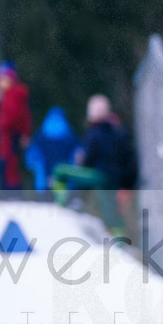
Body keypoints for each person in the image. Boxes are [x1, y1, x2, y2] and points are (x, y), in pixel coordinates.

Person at [54, 94, 135, 236]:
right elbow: (127, 159)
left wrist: (81, 163)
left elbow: (87, 159)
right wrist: (126, 185)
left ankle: (63, 200)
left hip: (98, 174)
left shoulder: (94, 133)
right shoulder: (117, 132)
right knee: (111, 211)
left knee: (60, 171)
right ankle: (119, 242)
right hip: (115, 178)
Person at [0, 61, 32, 191]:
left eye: (1, 79)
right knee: (10, 166)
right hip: (10, 136)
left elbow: (15, 116)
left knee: (8, 167)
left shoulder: (13, 94)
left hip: (10, 136)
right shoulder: (11, 94)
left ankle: (10, 195)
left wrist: (3, 124)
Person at [25, 106, 80, 193]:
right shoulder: (71, 137)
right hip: (65, 183)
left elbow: (30, 158)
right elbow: (78, 156)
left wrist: (34, 168)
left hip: (43, 183)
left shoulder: (39, 137)